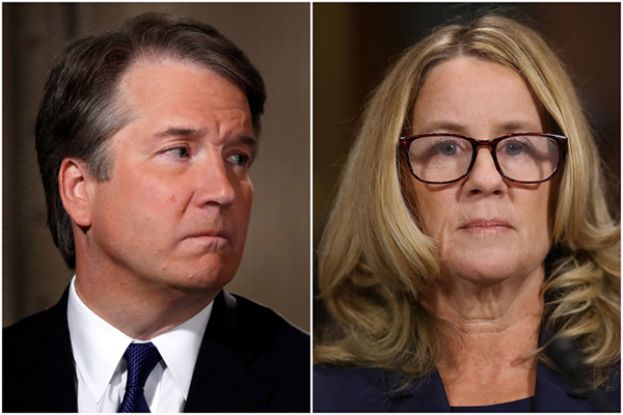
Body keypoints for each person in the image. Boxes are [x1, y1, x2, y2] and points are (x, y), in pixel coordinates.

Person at [4, 13, 309, 413]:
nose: (222, 191)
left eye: (237, 157)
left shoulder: (309, 382)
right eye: (179, 151)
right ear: (79, 188)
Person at [314, 14, 619, 412]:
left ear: (565, 178)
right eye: (446, 147)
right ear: (396, 184)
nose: (486, 179)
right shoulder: (321, 397)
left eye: (517, 146)